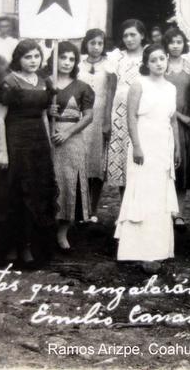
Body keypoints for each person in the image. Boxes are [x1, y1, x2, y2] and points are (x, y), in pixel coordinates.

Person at [0, 39, 58, 267]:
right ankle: (10, 246)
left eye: (36, 56)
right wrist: (2, 151)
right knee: (15, 196)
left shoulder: (45, 82)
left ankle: (29, 246)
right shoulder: (8, 82)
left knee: (36, 195)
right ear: (18, 59)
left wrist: (48, 145)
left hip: (38, 143)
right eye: (28, 57)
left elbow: (44, 116)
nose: (33, 61)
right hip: (15, 142)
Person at [115, 44, 180, 271]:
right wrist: (137, 146)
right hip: (144, 140)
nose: (159, 63)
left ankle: (158, 248)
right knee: (142, 191)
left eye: (162, 59)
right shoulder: (138, 84)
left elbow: (172, 120)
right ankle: (138, 250)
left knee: (159, 194)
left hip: (164, 143)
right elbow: (131, 117)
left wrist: (177, 149)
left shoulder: (171, 87)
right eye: (153, 60)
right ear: (146, 63)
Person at [47, 41, 95, 251]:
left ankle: (62, 233)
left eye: (71, 59)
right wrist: (48, 113)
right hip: (46, 137)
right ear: (54, 58)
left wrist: (67, 132)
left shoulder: (83, 87)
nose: (66, 62)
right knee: (48, 181)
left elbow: (88, 117)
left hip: (72, 139)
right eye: (63, 57)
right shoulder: (45, 84)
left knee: (69, 182)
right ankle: (44, 230)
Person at [162, 28, 190, 229]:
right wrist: (180, 117)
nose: (175, 45)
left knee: (183, 169)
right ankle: (163, 210)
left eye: (179, 42)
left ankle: (179, 213)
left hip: (187, 126)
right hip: (166, 119)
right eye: (171, 42)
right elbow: (159, 95)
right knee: (165, 167)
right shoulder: (162, 64)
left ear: (184, 44)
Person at [105, 19, 148, 195]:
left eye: (133, 35)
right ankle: (124, 212)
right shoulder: (116, 57)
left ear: (142, 36)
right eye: (125, 36)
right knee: (124, 161)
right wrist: (107, 120)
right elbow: (110, 90)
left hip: (143, 111)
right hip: (120, 115)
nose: (129, 39)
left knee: (143, 156)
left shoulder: (149, 54)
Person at [77, 29, 109, 222]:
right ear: (86, 44)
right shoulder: (78, 63)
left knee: (97, 164)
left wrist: (107, 119)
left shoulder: (109, 64)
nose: (96, 47)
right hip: (81, 116)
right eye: (92, 43)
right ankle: (80, 208)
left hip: (100, 116)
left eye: (100, 43)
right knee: (81, 161)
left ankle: (93, 208)